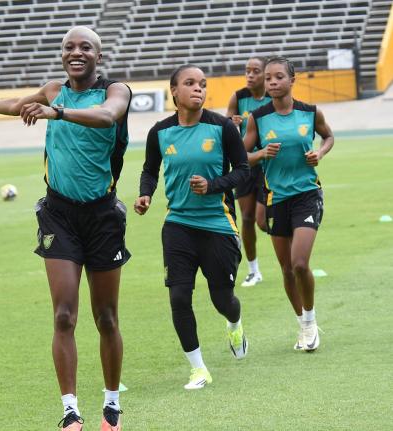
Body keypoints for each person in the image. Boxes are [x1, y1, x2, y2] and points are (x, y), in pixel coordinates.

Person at [0, 26, 131, 431]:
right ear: (61, 54)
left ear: (98, 55)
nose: (76, 52)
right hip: (58, 216)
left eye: (85, 47)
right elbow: (17, 105)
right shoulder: (53, 87)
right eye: (69, 47)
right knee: (63, 316)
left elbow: (107, 117)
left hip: (103, 216)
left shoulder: (116, 91)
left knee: (106, 317)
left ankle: (112, 405)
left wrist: (56, 112)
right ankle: (71, 411)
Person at [134, 64, 250, 390]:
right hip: (178, 224)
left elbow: (243, 171)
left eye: (202, 84)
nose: (198, 88)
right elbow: (150, 170)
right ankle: (198, 369)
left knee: (222, 299)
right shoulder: (159, 132)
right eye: (189, 83)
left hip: (218, 223)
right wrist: (145, 194)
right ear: (174, 91)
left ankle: (235, 323)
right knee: (179, 297)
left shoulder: (223, 127)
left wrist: (213, 185)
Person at [244, 56, 334, 352]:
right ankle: (302, 325)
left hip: (307, 194)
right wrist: (261, 155)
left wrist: (320, 153)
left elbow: (329, 136)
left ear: (292, 80)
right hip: (275, 198)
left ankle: (310, 321)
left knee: (299, 262)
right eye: (268, 78)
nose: (271, 82)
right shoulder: (258, 117)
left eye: (278, 77)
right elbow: (241, 156)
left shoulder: (310, 112)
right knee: (285, 269)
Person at [226, 57, 271, 287]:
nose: (250, 75)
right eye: (247, 71)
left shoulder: (274, 98)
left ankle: (291, 249)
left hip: (268, 167)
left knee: (263, 221)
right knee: (246, 218)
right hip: (245, 166)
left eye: (256, 71)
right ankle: (254, 271)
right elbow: (227, 128)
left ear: (266, 74)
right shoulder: (238, 97)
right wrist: (231, 123)